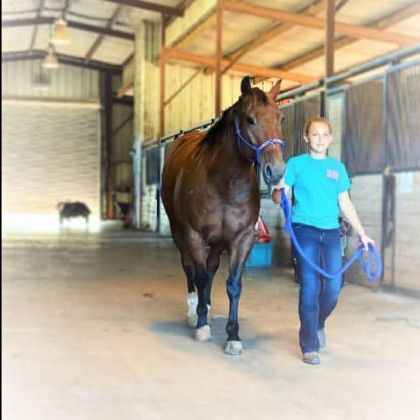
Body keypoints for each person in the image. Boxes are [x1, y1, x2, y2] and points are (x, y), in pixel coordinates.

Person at [272, 117, 374, 365]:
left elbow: (345, 203)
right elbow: (280, 198)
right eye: (314, 134)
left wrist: (362, 232)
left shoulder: (337, 168)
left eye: (324, 134)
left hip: (330, 233)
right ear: (306, 138)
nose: (319, 139)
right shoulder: (296, 164)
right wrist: (278, 188)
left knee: (333, 286)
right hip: (304, 230)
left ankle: (317, 322)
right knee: (309, 286)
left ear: (330, 138)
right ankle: (309, 344)